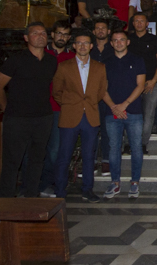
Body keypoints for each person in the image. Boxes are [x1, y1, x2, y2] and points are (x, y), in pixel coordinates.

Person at [0, 22, 57, 197]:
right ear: (26, 38)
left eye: (43, 33)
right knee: (12, 161)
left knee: (37, 160)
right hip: (17, 118)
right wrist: (6, 108)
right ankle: (5, 200)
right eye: (35, 33)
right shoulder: (16, 59)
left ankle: (31, 196)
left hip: (43, 117)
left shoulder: (51, 61)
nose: (40, 36)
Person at [53, 31, 107, 202]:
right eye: (79, 43)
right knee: (64, 155)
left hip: (90, 116)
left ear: (91, 46)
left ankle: (87, 189)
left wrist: (87, 104)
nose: (83, 46)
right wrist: (70, 104)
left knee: (89, 156)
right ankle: (60, 190)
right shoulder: (64, 66)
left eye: (86, 43)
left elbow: (101, 91)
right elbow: (56, 91)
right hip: (70, 115)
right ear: (74, 46)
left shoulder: (100, 67)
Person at [102, 31, 146, 199]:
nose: (119, 43)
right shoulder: (105, 63)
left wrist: (124, 105)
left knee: (136, 148)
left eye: (122, 40)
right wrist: (114, 107)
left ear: (127, 42)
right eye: (115, 40)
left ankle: (135, 182)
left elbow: (140, 85)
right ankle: (115, 182)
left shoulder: (137, 60)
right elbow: (102, 88)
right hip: (112, 112)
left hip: (133, 111)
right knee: (114, 148)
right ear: (111, 43)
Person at [36, 20, 75, 197]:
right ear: (52, 34)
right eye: (59, 33)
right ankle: (32, 184)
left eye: (66, 35)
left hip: (60, 108)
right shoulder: (42, 53)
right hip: (39, 107)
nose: (62, 37)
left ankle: (48, 183)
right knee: (36, 147)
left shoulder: (71, 57)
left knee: (54, 150)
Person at [128, 12, 157, 155]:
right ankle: (128, 143)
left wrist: (154, 81)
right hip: (131, 84)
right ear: (133, 23)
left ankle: (142, 144)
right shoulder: (128, 40)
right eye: (136, 21)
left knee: (148, 114)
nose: (139, 23)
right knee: (130, 114)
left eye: (142, 21)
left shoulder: (154, 40)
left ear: (147, 24)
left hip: (151, 82)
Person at [90, 20, 114, 176]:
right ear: (93, 32)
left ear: (108, 31)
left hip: (108, 94)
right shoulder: (88, 48)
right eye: (97, 28)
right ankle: (90, 162)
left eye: (103, 28)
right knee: (90, 130)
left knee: (107, 130)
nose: (100, 31)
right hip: (89, 95)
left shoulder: (113, 48)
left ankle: (106, 161)